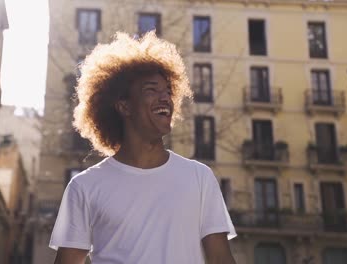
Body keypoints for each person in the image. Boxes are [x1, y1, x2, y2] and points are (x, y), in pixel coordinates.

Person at [50, 32, 237, 264]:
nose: (165, 98)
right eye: (151, 90)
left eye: (168, 91)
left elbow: (221, 259)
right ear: (124, 106)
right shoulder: (84, 187)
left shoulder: (200, 177)